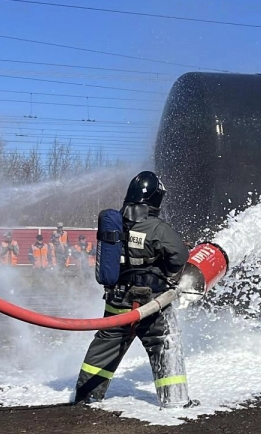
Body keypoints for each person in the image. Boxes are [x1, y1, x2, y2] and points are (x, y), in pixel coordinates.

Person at [74, 171, 195, 408]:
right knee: (164, 342)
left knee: (106, 343)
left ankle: (87, 396)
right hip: (152, 303)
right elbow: (179, 255)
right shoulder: (156, 228)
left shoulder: (115, 223)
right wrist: (168, 271)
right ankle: (175, 400)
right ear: (154, 198)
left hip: (117, 300)